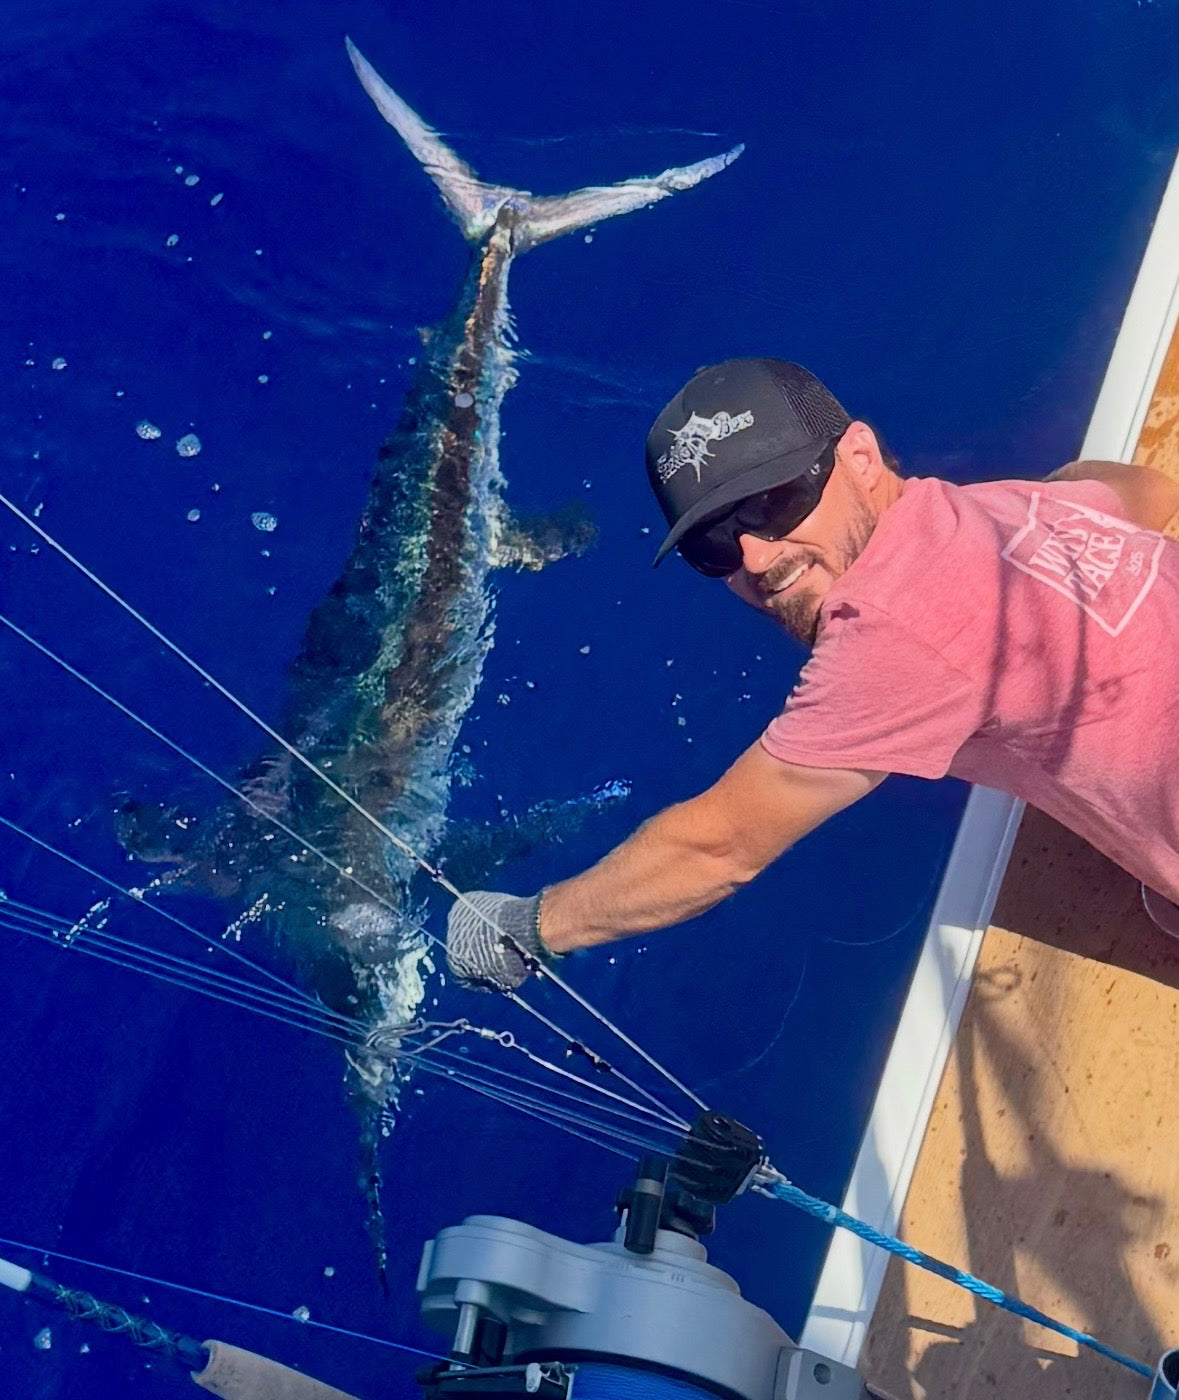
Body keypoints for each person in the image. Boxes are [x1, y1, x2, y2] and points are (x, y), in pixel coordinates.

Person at [446, 358, 1179, 992]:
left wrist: (525, 929)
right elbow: (1146, 493)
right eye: (715, 544)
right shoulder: (992, 511)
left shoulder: (890, 630)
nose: (758, 559)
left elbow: (716, 849)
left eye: (774, 502)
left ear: (860, 458)